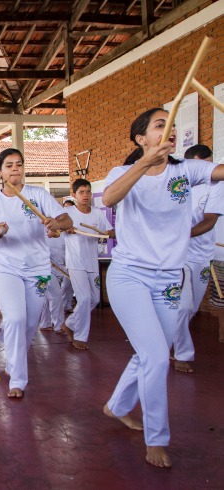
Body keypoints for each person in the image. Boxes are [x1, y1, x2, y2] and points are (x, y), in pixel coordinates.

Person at [101, 108, 224, 468]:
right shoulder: (124, 172)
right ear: (141, 139)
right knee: (156, 357)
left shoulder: (187, 170)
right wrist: (143, 164)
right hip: (130, 276)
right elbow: (109, 199)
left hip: (170, 278)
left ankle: (117, 406)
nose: (169, 130)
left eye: (172, 124)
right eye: (160, 125)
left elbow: (219, 171)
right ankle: (157, 438)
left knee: (148, 354)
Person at [0, 148, 72, 399]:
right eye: (8, 165)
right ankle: (17, 378)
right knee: (17, 317)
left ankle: (11, 342)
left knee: (30, 322)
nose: (15, 169)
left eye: (19, 164)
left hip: (38, 269)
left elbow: (66, 220)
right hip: (6, 267)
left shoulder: (37, 194)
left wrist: (56, 223)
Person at [172, 144, 223, 373]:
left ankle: (169, 339)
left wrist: (184, 234)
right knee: (182, 306)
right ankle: (182, 353)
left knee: (191, 309)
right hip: (176, 255)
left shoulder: (216, 186)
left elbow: (209, 221)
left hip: (202, 255)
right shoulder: (176, 184)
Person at [61, 178, 114, 349]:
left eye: (88, 192)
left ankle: (69, 324)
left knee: (94, 299)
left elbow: (108, 230)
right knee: (83, 299)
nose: (85, 195)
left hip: (92, 261)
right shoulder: (68, 212)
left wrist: (110, 233)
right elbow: (55, 228)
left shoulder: (97, 213)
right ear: (74, 195)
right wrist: (65, 228)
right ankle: (80, 337)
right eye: (81, 192)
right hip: (75, 262)